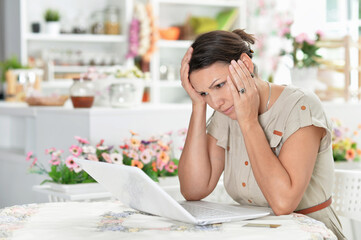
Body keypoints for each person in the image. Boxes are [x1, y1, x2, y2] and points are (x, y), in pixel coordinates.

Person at [178, 29, 345, 239]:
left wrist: (249, 122)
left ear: (246, 65)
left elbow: (283, 203)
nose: (215, 103)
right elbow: (194, 190)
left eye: (219, 85)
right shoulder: (226, 111)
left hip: (309, 233)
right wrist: (198, 105)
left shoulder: (300, 106)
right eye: (204, 93)